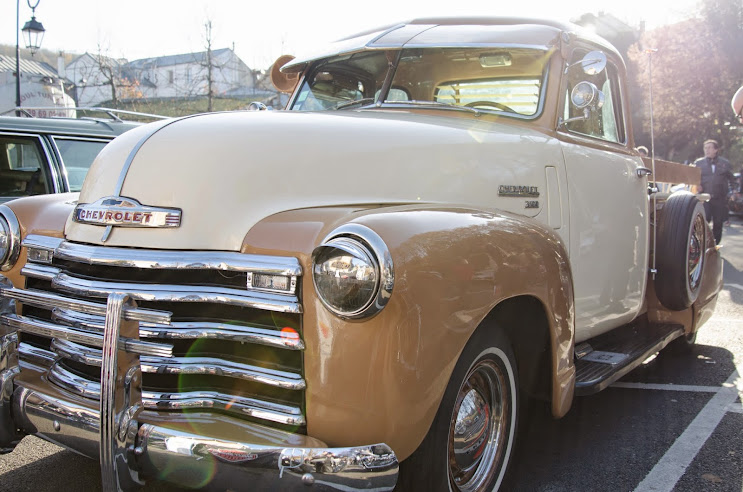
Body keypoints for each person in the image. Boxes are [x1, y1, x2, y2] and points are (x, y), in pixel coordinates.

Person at [694, 139, 735, 244]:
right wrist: (697, 185)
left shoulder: (725, 163)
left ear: (716, 150)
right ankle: (702, 245)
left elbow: (732, 180)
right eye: (705, 148)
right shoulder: (699, 163)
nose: (706, 150)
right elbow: (693, 179)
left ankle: (715, 246)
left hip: (720, 199)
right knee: (703, 222)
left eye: (709, 148)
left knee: (718, 223)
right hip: (704, 198)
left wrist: (732, 192)